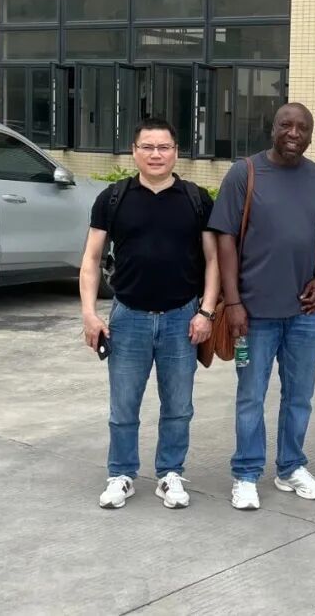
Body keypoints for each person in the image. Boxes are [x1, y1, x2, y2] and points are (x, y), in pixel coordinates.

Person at [79, 116, 219, 511]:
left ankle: (170, 474)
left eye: (164, 147)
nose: (156, 154)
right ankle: (121, 474)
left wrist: (206, 311)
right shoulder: (113, 198)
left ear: (176, 152)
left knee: (178, 406)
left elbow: (213, 260)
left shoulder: (196, 199)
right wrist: (89, 314)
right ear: (134, 151)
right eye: (147, 147)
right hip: (128, 317)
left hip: (182, 317)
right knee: (123, 406)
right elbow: (91, 259)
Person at [209, 102, 315, 511]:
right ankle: (246, 474)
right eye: (286, 125)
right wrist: (233, 301)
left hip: (305, 314)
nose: (294, 133)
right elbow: (225, 239)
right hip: (253, 315)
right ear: (273, 128)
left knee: (300, 396)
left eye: (302, 127)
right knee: (251, 396)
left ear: (311, 134)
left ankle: (291, 468)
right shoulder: (244, 173)